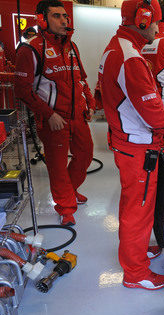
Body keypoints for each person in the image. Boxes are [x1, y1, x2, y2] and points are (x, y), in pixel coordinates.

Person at [98, 0, 164, 290]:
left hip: (129, 140)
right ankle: (135, 273)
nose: (157, 29)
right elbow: (150, 111)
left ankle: (135, 253)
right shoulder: (130, 58)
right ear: (141, 20)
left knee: (136, 205)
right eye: (154, 23)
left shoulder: (119, 47)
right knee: (137, 209)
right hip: (138, 144)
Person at [15, 0, 95, 226]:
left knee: (85, 155)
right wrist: (49, 114)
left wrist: (88, 101)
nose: (64, 21)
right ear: (42, 19)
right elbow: (22, 90)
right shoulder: (30, 49)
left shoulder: (72, 46)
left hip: (77, 116)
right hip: (53, 120)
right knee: (58, 167)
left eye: (65, 16)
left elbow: (81, 78)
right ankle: (66, 207)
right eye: (57, 16)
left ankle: (70, 190)